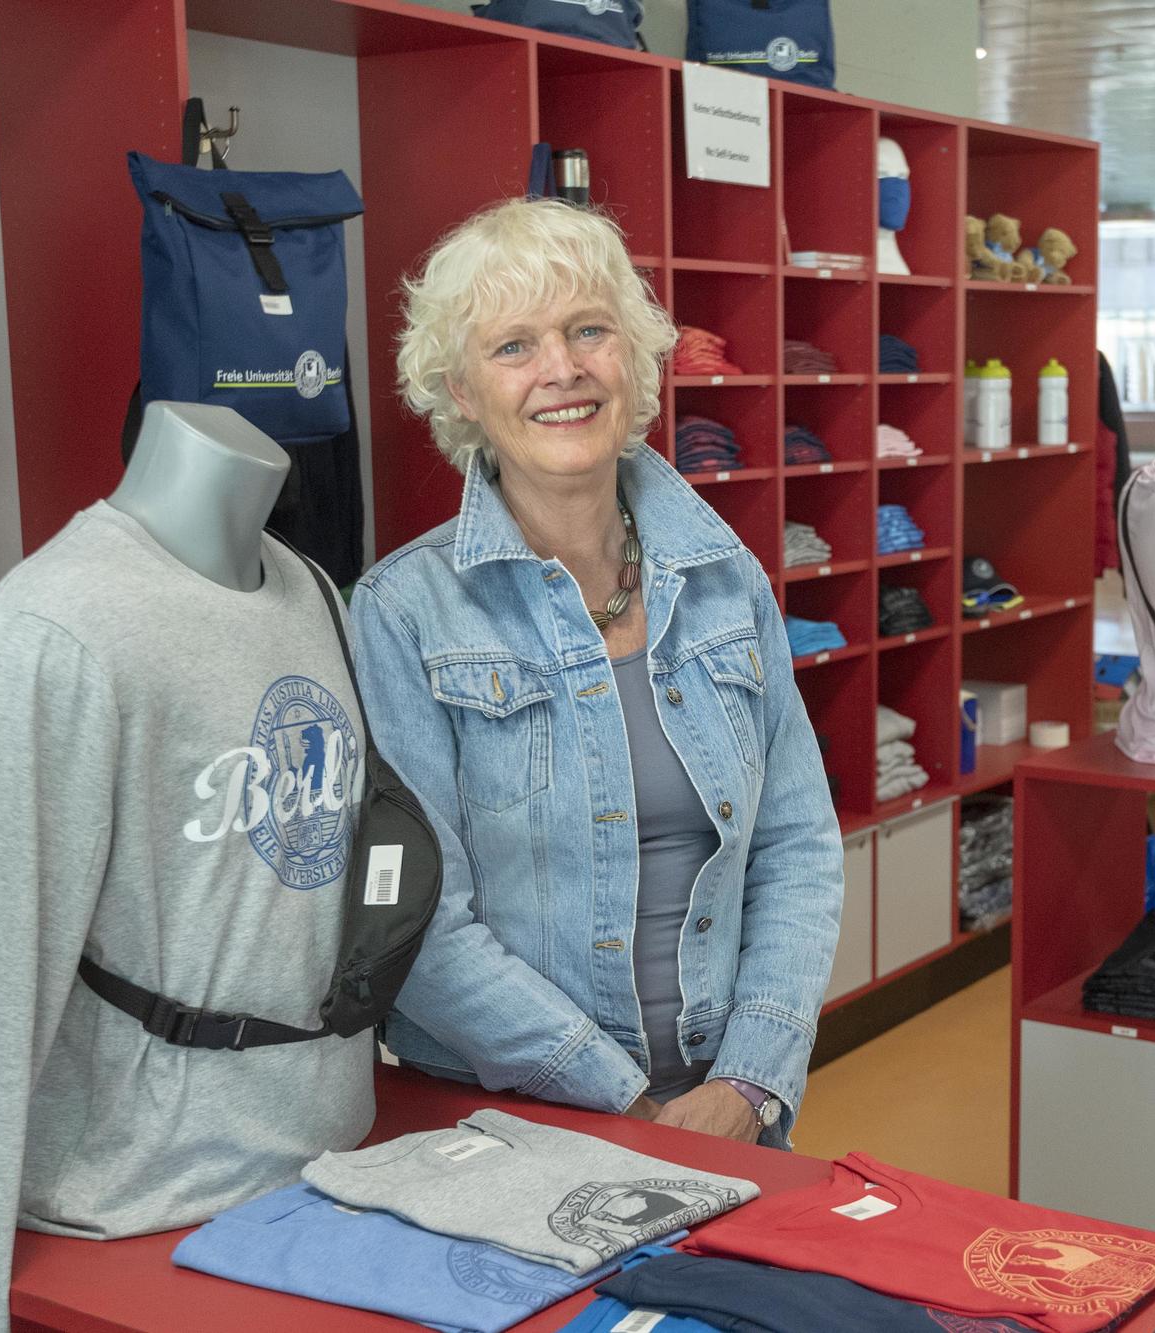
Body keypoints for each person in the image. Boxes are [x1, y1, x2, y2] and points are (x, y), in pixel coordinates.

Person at [351, 199, 842, 1146]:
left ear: (636, 357)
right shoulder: (405, 613)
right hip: (502, 1123)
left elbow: (797, 845)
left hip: (730, 1115)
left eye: (588, 331)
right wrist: (631, 1104)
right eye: (513, 347)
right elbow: (419, 920)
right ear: (460, 391)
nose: (562, 371)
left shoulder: (727, 580)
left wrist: (748, 1080)